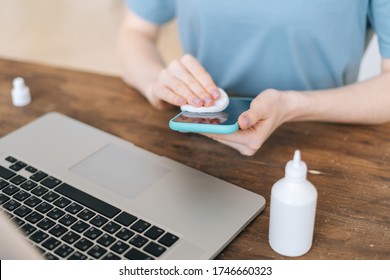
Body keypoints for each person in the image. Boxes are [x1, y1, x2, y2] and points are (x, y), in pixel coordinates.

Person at [117, 0, 390, 156]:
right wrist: (156, 84)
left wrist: (293, 105)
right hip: (200, 136)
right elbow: (135, 32)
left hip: (320, 143)